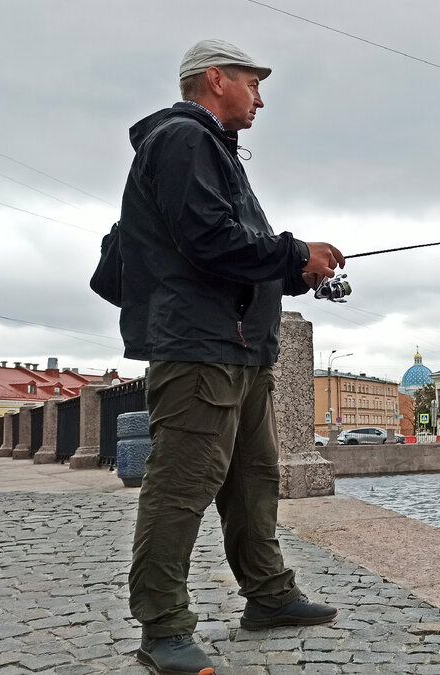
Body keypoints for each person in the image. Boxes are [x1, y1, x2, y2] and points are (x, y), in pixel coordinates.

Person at [115, 39, 344, 675]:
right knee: (181, 488)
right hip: (200, 350)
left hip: (238, 349)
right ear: (216, 79)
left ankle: (267, 596)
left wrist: (295, 270)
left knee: (254, 479)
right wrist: (295, 253)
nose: (260, 98)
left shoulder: (213, 150)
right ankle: (163, 629)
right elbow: (209, 240)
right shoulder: (185, 140)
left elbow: (233, 252)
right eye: (253, 83)